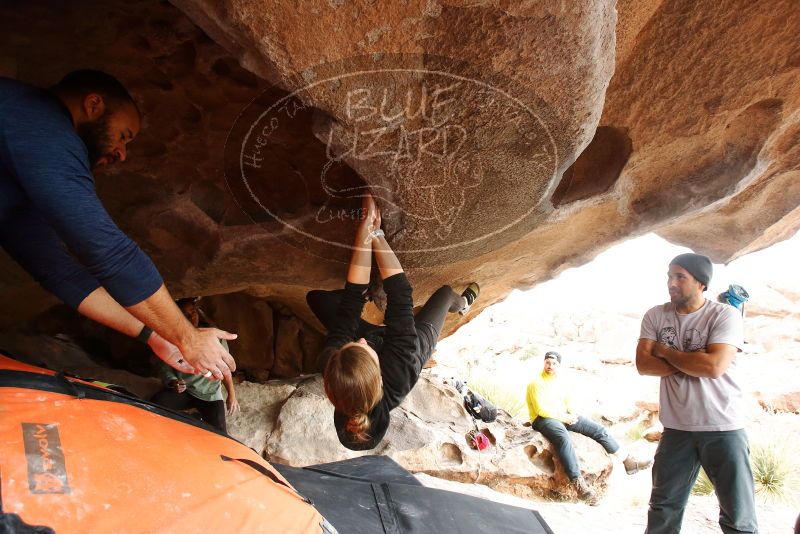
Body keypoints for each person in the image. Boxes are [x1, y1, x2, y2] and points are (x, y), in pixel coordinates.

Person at [0, 70, 235, 379]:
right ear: (93, 105)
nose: (122, 154)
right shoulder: (42, 126)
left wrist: (156, 336)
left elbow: (59, 272)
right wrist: (187, 337)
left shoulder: (23, 168)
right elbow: (110, 252)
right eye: (123, 136)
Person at [308, 194, 479, 450]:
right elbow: (400, 294)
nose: (361, 341)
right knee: (444, 294)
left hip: (379, 340)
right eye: (362, 348)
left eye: (353, 346)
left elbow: (352, 296)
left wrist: (364, 227)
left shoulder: (334, 367)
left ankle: (370, 315)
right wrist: (377, 234)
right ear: (378, 376)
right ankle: (464, 305)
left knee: (318, 299)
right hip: (410, 345)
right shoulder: (399, 374)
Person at [636, 253, 757, 534]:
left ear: (701, 283)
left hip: (723, 426)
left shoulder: (724, 315)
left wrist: (665, 352)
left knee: (738, 516)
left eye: (680, 277)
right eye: (669, 276)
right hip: (677, 428)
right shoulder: (656, 315)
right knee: (663, 509)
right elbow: (644, 364)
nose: (672, 283)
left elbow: (714, 366)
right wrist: (692, 361)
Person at [526, 351, 652, 505]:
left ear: (559, 365)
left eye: (554, 363)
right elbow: (540, 409)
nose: (550, 366)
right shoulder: (536, 383)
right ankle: (579, 485)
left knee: (598, 430)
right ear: (543, 363)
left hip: (562, 416)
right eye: (548, 362)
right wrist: (564, 417)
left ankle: (628, 461)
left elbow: (568, 402)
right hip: (543, 419)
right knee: (563, 438)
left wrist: (572, 415)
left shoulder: (560, 382)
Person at [152, 298, 239, 432]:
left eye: (193, 312)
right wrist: (173, 381)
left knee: (220, 432)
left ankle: (195, 418)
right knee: (157, 402)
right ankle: (190, 418)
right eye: (185, 315)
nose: (191, 317)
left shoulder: (212, 337)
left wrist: (231, 396)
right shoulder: (173, 339)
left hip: (209, 394)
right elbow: (164, 367)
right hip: (186, 391)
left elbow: (225, 368)